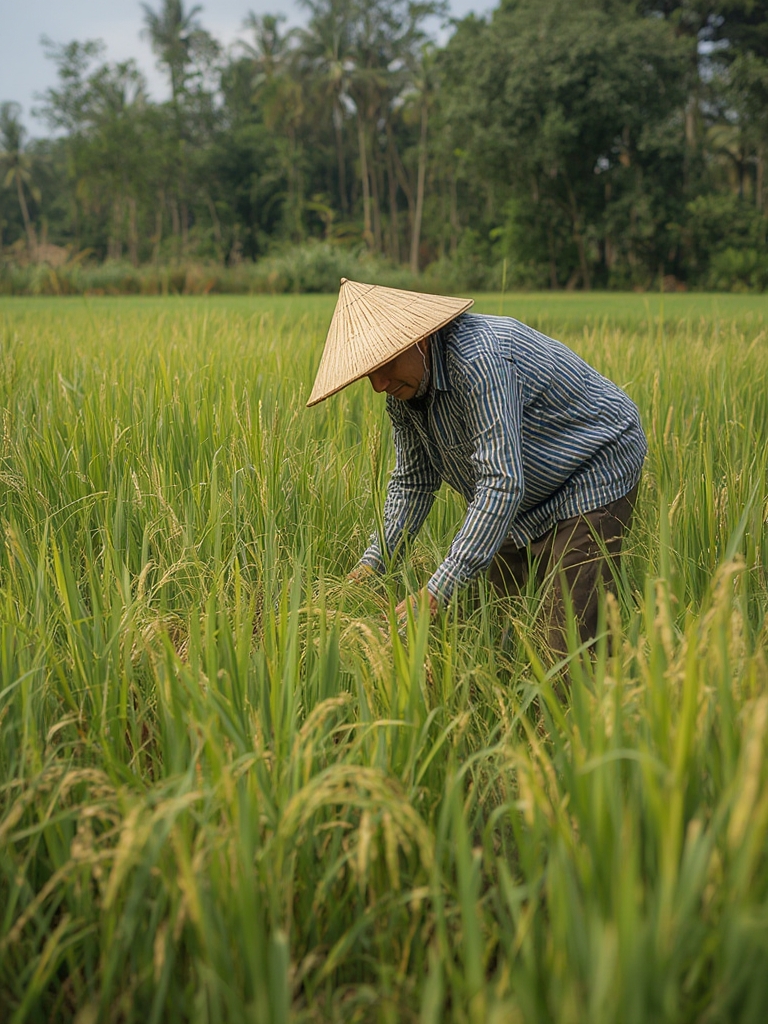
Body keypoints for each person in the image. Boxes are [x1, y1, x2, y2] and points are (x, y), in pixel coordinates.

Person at [307, 279, 646, 655]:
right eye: (367, 373)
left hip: (591, 467)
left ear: (418, 340)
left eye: (384, 365)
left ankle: (581, 705)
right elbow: (413, 483)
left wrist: (437, 589)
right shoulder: (403, 394)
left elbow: (501, 482)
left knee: (568, 638)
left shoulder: (479, 360)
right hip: (525, 491)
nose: (377, 384)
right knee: (492, 625)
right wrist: (375, 563)